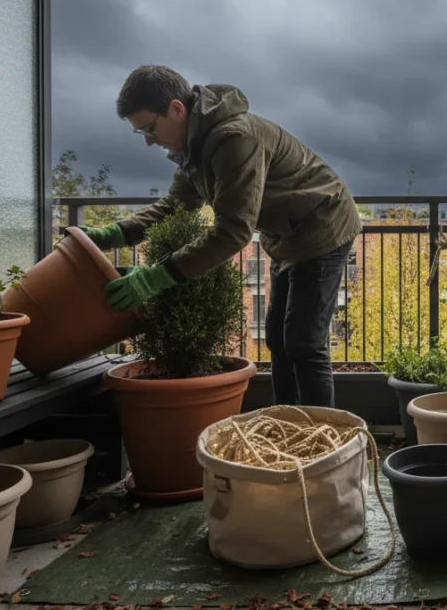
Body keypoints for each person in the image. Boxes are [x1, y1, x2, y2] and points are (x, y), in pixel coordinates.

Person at [80, 65, 360, 408]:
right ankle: (291, 423)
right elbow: (177, 204)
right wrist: (114, 234)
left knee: (304, 342)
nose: (149, 140)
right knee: (278, 338)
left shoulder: (234, 138)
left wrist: (156, 277)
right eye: (141, 133)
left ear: (177, 109)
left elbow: (232, 232)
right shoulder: (193, 147)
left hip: (323, 226)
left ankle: (324, 440)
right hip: (287, 236)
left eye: (150, 128)